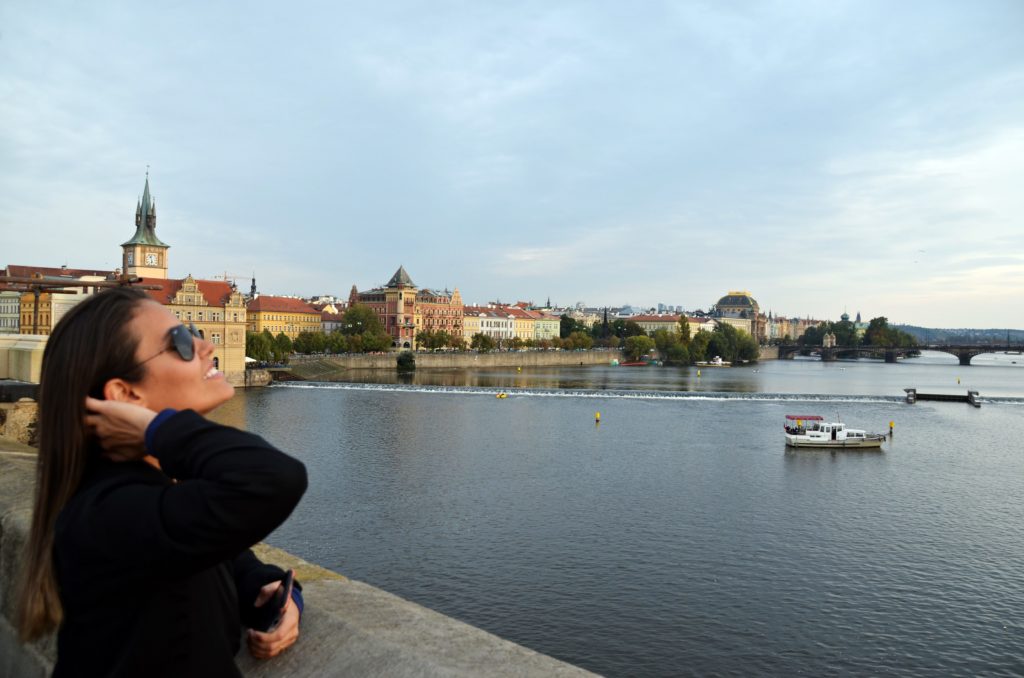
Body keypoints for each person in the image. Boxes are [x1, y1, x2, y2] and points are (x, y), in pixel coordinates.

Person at [16, 286, 308, 677]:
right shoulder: (110, 512)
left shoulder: (142, 493)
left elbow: (230, 560)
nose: (205, 345)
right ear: (125, 394)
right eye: (182, 342)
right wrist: (160, 431)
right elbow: (274, 477)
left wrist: (280, 595)